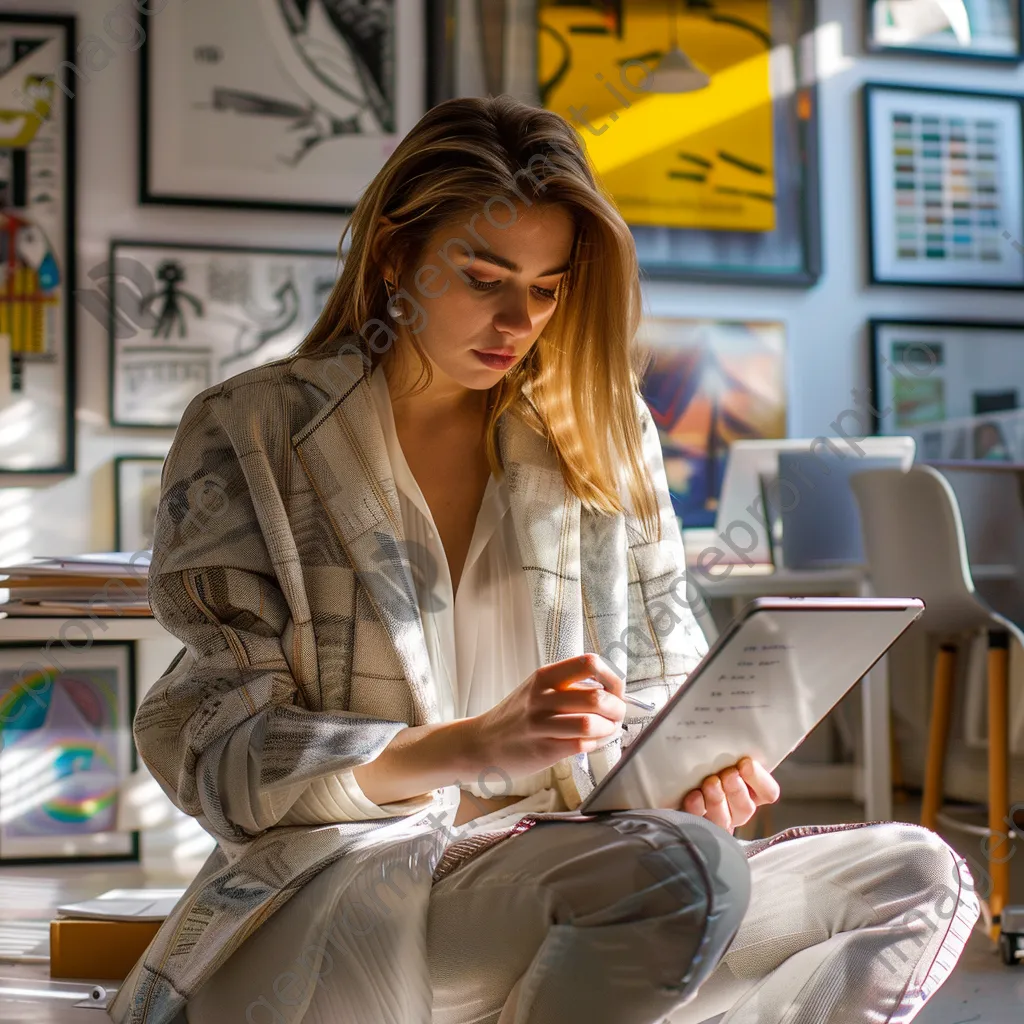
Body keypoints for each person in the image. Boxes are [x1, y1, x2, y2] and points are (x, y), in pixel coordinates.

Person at [109, 95, 979, 1024]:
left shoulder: (602, 432)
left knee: (917, 874)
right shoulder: (254, 432)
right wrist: (470, 745)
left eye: (548, 286)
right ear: (396, 253)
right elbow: (214, 751)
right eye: (483, 277)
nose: (517, 319)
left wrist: (695, 768)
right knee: (673, 873)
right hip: (369, 878)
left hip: (594, 855)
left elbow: (663, 671)